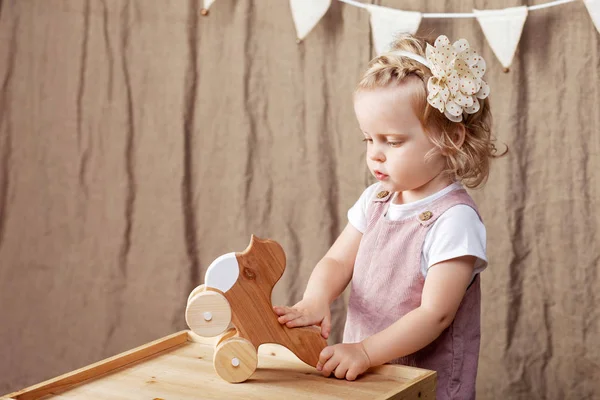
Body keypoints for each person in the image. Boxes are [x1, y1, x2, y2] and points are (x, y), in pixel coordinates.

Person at [273, 33, 505, 400]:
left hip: (420, 383)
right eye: (369, 139)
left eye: (393, 141)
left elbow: (435, 315)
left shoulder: (454, 220)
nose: (376, 154)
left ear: (452, 137)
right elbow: (337, 259)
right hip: (365, 375)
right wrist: (316, 298)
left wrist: (365, 351)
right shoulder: (377, 199)